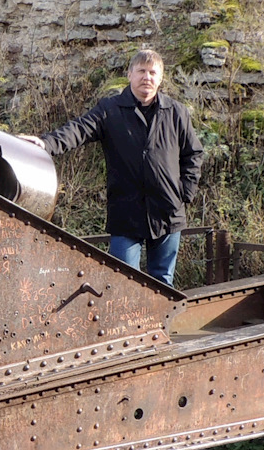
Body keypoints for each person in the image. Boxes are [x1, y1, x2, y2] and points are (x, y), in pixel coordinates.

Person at [28, 49, 203, 285]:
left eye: (153, 72)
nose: (147, 77)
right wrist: (46, 143)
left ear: (160, 78)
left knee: (163, 283)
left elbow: (193, 153)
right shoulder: (110, 110)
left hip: (167, 211)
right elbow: (79, 129)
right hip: (126, 211)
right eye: (141, 71)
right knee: (123, 283)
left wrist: (184, 193)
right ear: (130, 74)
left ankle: (158, 324)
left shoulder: (176, 112)